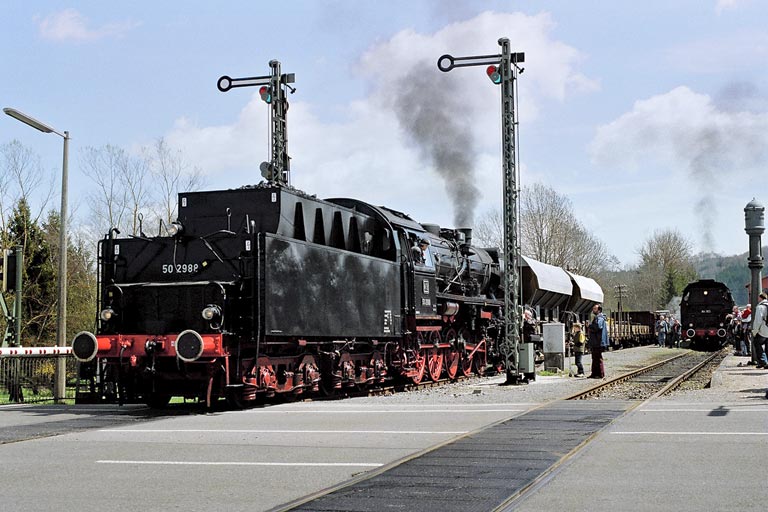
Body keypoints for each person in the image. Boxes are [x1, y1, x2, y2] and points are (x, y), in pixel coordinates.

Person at [588, 304, 608, 378]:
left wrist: (589, 326)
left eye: (595, 309)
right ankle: (594, 373)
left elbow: (598, 327)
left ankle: (600, 374)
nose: (593, 310)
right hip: (596, 341)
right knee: (595, 358)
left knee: (598, 358)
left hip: (598, 341)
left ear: (599, 310)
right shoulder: (599, 317)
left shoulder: (600, 318)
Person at [751, 292, 768, 370]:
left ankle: (762, 362)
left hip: (763, 331)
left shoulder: (760, 307)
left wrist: (754, 331)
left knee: (757, 343)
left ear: (760, 298)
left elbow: (758, 321)